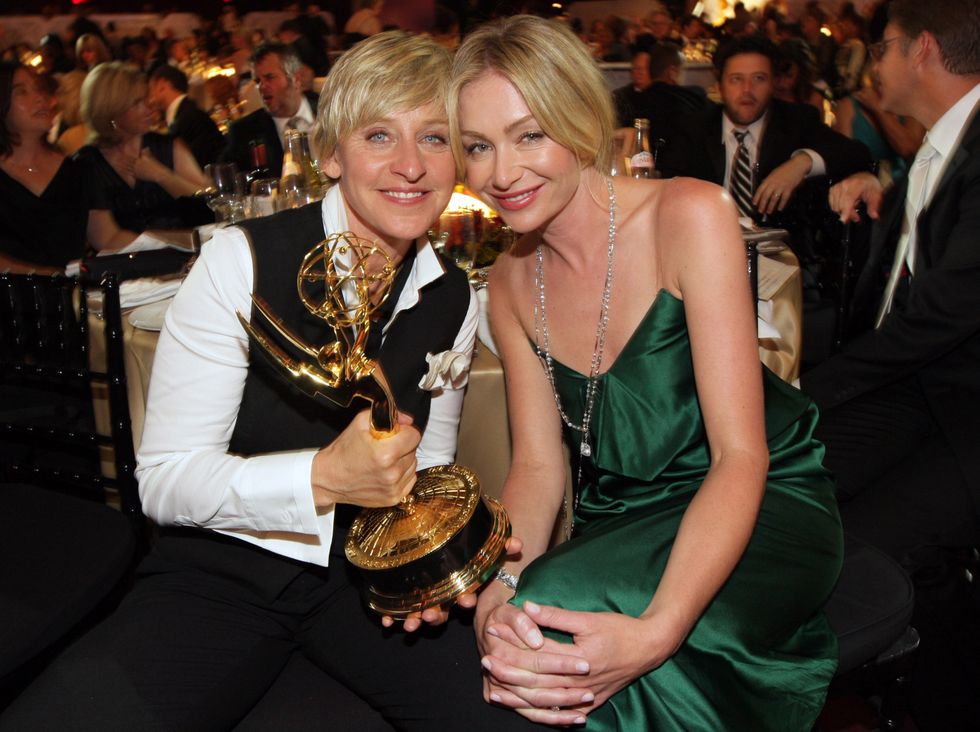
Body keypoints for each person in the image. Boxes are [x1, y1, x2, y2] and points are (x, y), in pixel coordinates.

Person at [0, 31, 540, 732]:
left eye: (435, 138)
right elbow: (163, 482)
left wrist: (441, 562)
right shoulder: (240, 261)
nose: (411, 165)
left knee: (517, 717)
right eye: (380, 135)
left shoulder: (454, 298)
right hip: (220, 578)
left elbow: (426, 465)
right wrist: (322, 478)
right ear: (331, 153)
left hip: (361, 586)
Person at [448, 15, 843, 730]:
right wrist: (497, 585)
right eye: (478, 147)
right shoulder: (508, 277)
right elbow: (538, 470)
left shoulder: (689, 214)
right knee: (526, 622)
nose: (500, 174)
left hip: (760, 500)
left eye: (529, 134)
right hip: (621, 517)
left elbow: (740, 455)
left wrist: (660, 631)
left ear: (581, 118)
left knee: (560, 618)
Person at [802, 0, 980, 725]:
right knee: (784, 478)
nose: (873, 67)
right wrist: (881, 183)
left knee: (846, 541)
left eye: (883, 50)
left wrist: (813, 389)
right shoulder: (939, 148)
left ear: (924, 51)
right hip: (917, 392)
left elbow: (941, 316)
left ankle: (910, 674)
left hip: (962, 417)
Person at [660, 35, 870, 223]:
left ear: (773, 84)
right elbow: (668, 188)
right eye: (736, 79)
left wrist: (801, 162)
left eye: (759, 79)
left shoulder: (797, 120)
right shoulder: (694, 127)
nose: (747, 90)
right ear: (719, 85)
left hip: (779, 253)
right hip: (707, 244)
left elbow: (856, 153)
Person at [74, 61, 209, 250]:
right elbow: (105, 238)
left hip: (189, 258)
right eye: (137, 103)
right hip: (127, 268)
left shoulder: (167, 146)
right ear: (112, 112)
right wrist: (171, 243)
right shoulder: (88, 164)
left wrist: (161, 175)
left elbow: (209, 203)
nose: (150, 107)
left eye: (146, 98)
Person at [0, 62, 88, 273]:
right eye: (22, 92)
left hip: (71, 297)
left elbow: (105, 234)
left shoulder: (75, 168)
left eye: (39, 88)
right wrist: (45, 276)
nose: (40, 98)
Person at [219, 41, 320, 177]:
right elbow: (228, 182)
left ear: (296, 79)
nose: (262, 87)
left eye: (269, 78)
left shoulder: (331, 110)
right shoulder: (244, 132)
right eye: (257, 81)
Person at [147, 64, 223, 168]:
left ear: (162, 85)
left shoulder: (190, 116)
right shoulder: (185, 113)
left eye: (151, 88)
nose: (149, 97)